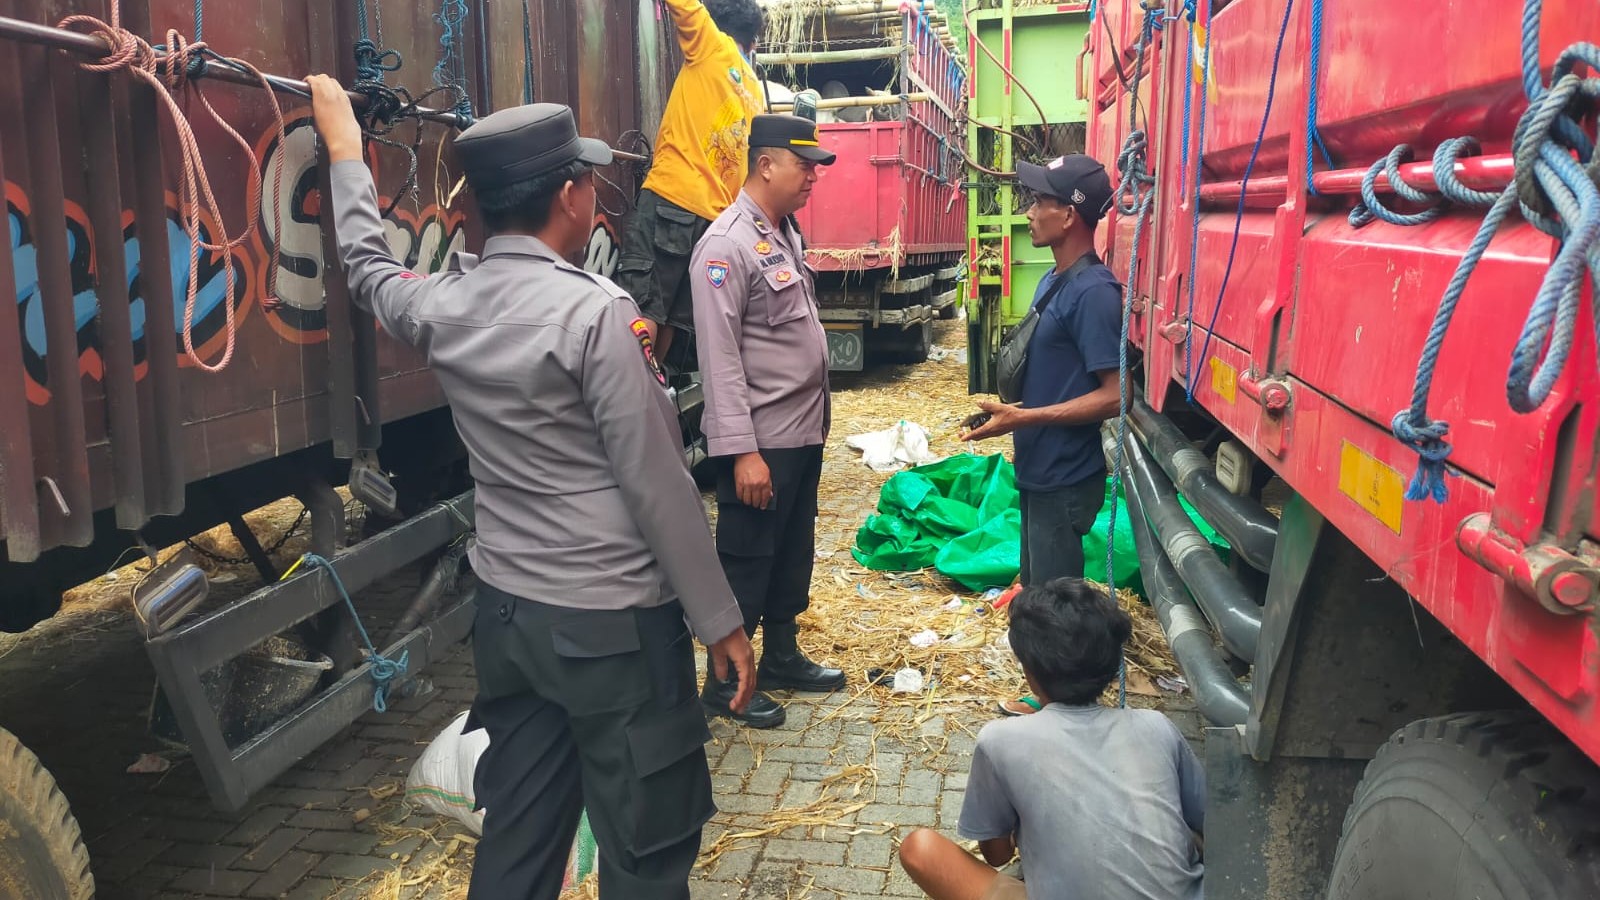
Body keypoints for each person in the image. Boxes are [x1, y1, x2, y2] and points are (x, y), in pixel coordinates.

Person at [306, 76, 755, 900]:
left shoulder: (446, 304)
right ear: (571, 197)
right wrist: (720, 619)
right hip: (614, 631)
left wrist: (343, 149)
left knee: (518, 838)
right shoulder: (598, 317)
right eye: (587, 181)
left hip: (510, 620)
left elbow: (370, 269)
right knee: (646, 852)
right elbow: (659, 487)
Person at [898, 578, 1206, 900]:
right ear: (1114, 664)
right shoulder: (1156, 726)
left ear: (1029, 670)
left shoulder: (1001, 739)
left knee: (920, 848)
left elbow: (998, 855)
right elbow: (1210, 822)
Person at [690, 114, 844, 729]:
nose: (813, 177)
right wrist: (741, 452)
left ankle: (780, 656)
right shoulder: (725, 246)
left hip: (801, 433)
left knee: (789, 552)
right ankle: (724, 684)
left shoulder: (781, 234)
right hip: (763, 441)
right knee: (747, 557)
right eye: (804, 165)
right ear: (765, 164)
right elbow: (720, 361)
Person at [959, 153, 1122, 716]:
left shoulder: (1095, 292)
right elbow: (1060, 381)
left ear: (1070, 215)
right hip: (1038, 466)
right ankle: (1049, 691)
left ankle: (1064, 706)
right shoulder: (1055, 279)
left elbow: (1114, 394)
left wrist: (1024, 419)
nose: (1029, 212)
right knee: (1036, 588)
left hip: (1064, 474)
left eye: (1040, 202)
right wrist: (1008, 410)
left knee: (1056, 599)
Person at [616, 0, 768, 375]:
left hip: (673, 199)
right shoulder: (756, 93)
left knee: (644, 306)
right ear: (753, 42)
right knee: (669, 318)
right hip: (714, 224)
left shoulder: (712, 45)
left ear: (720, 25)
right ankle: (657, 398)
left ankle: (632, 398)